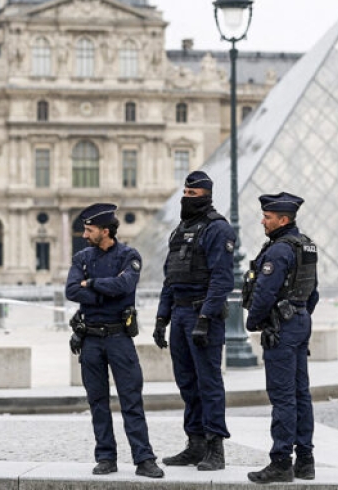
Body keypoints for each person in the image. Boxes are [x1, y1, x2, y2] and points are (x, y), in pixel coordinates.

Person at [65, 203, 164, 479]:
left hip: (119, 337)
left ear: (105, 231)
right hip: (91, 339)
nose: (84, 235)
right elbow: (71, 290)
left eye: (89, 230)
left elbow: (125, 287)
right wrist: (103, 289)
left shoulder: (129, 255)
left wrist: (91, 284)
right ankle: (106, 457)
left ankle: (144, 458)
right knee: (97, 401)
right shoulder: (82, 257)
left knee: (131, 400)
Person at [153, 171, 235, 471]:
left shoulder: (217, 229)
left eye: (193, 195)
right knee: (187, 383)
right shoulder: (179, 231)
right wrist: (162, 318)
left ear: (206, 196)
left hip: (203, 314)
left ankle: (215, 447)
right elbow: (170, 278)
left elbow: (222, 279)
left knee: (209, 383)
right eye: (185, 194)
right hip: (180, 313)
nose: (186, 199)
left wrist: (205, 317)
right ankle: (195, 442)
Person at [243, 192, 319, 483]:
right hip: (300, 321)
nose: (263, 221)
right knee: (301, 393)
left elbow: (263, 293)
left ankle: (280, 462)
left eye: (268, 217)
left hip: (281, 328)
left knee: (283, 397)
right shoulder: (306, 245)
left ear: (283, 219)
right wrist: (299, 313)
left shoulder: (278, 251)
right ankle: (306, 461)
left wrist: (255, 321)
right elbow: (314, 291)